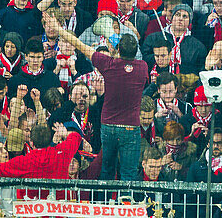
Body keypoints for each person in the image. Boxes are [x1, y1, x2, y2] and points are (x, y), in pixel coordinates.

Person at [49, 13, 148, 180]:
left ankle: (104, 203)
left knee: (107, 170)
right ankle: (127, 205)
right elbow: (124, 57)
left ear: (117, 50)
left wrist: (59, 29)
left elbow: (79, 44)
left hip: (108, 126)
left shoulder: (108, 64)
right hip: (130, 128)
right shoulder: (142, 67)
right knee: (129, 172)